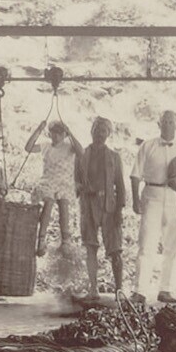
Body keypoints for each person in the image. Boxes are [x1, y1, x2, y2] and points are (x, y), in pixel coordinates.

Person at [134, 111, 176, 299]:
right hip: (152, 194)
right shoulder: (147, 145)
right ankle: (140, 291)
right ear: (158, 124)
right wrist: (135, 199)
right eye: (164, 121)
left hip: (175, 196)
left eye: (171, 122)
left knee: (173, 245)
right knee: (147, 243)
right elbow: (135, 174)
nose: (167, 125)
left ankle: (165, 289)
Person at [75, 115, 128, 295]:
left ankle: (119, 290)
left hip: (109, 206)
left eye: (103, 131)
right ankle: (93, 289)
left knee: (115, 250)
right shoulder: (81, 155)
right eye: (97, 130)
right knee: (90, 247)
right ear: (91, 131)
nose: (99, 134)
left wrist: (119, 210)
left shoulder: (114, 157)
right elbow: (74, 181)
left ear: (108, 134)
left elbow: (120, 185)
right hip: (88, 205)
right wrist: (81, 187)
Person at [28, 118, 81, 264]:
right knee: (49, 202)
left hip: (64, 183)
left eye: (60, 133)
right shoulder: (45, 145)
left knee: (64, 205)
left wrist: (70, 133)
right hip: (49, 181)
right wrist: (39, 129)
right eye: (53, 133)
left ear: (64, 135)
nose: (56, 136)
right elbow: (28, 148)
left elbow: (81, 152)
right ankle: (41, 239)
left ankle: (66, 240)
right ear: (49, 133)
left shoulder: (69, 146)